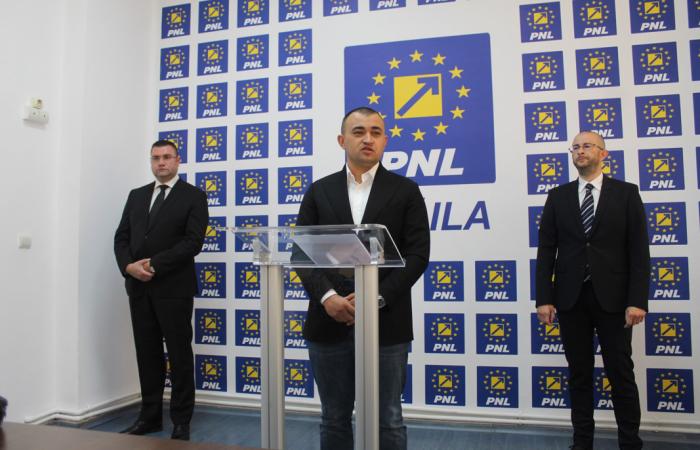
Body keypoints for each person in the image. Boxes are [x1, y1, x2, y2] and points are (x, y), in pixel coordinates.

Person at [296, 107, 430, 450]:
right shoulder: (319, 191)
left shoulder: (406, 191)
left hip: (387, 322)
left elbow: (418, 255)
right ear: (342, 140)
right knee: (334, 417)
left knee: (389, 418)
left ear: (385, 140)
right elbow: (301, 253)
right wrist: (328, 298)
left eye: (375, 132)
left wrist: (376, 298)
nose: (367, 138)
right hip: (328, 320)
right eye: (358, 132)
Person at [535, 131, 650, 450]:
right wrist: (544, 298)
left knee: (620, 374)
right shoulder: (558, 196)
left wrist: (637, 300)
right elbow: (546, 250)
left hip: (615, 300)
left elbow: (639, 251)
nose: (580, 151)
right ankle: (582, 443)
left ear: (603, 154)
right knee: (579, 375)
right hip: (571, 299)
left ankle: (630, 443)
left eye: (587, 146)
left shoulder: (626, 193)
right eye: (575, 147)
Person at [114, 140, 208, 441]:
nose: (161, 163)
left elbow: (193, 242)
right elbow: (121, 238)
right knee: (147, 354)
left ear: (178, 161)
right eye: (155, 158)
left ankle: (181, 420)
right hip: (138, 287)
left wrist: (153, 264)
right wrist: (129, 267)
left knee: (179, 355)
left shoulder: (194, 196)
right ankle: (150, 417)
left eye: (167, 157)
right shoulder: (137, 195)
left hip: (174, 287)